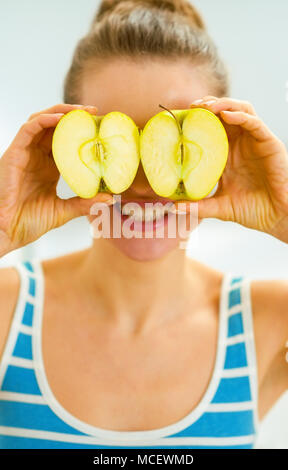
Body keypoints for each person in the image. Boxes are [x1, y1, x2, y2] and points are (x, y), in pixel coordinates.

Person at [0, 0, 287, 450]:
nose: (144, 184)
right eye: (120, 143)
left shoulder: (268, 321)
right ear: (64, 143)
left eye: (173, 135)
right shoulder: (8, 310)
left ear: (224, 148)